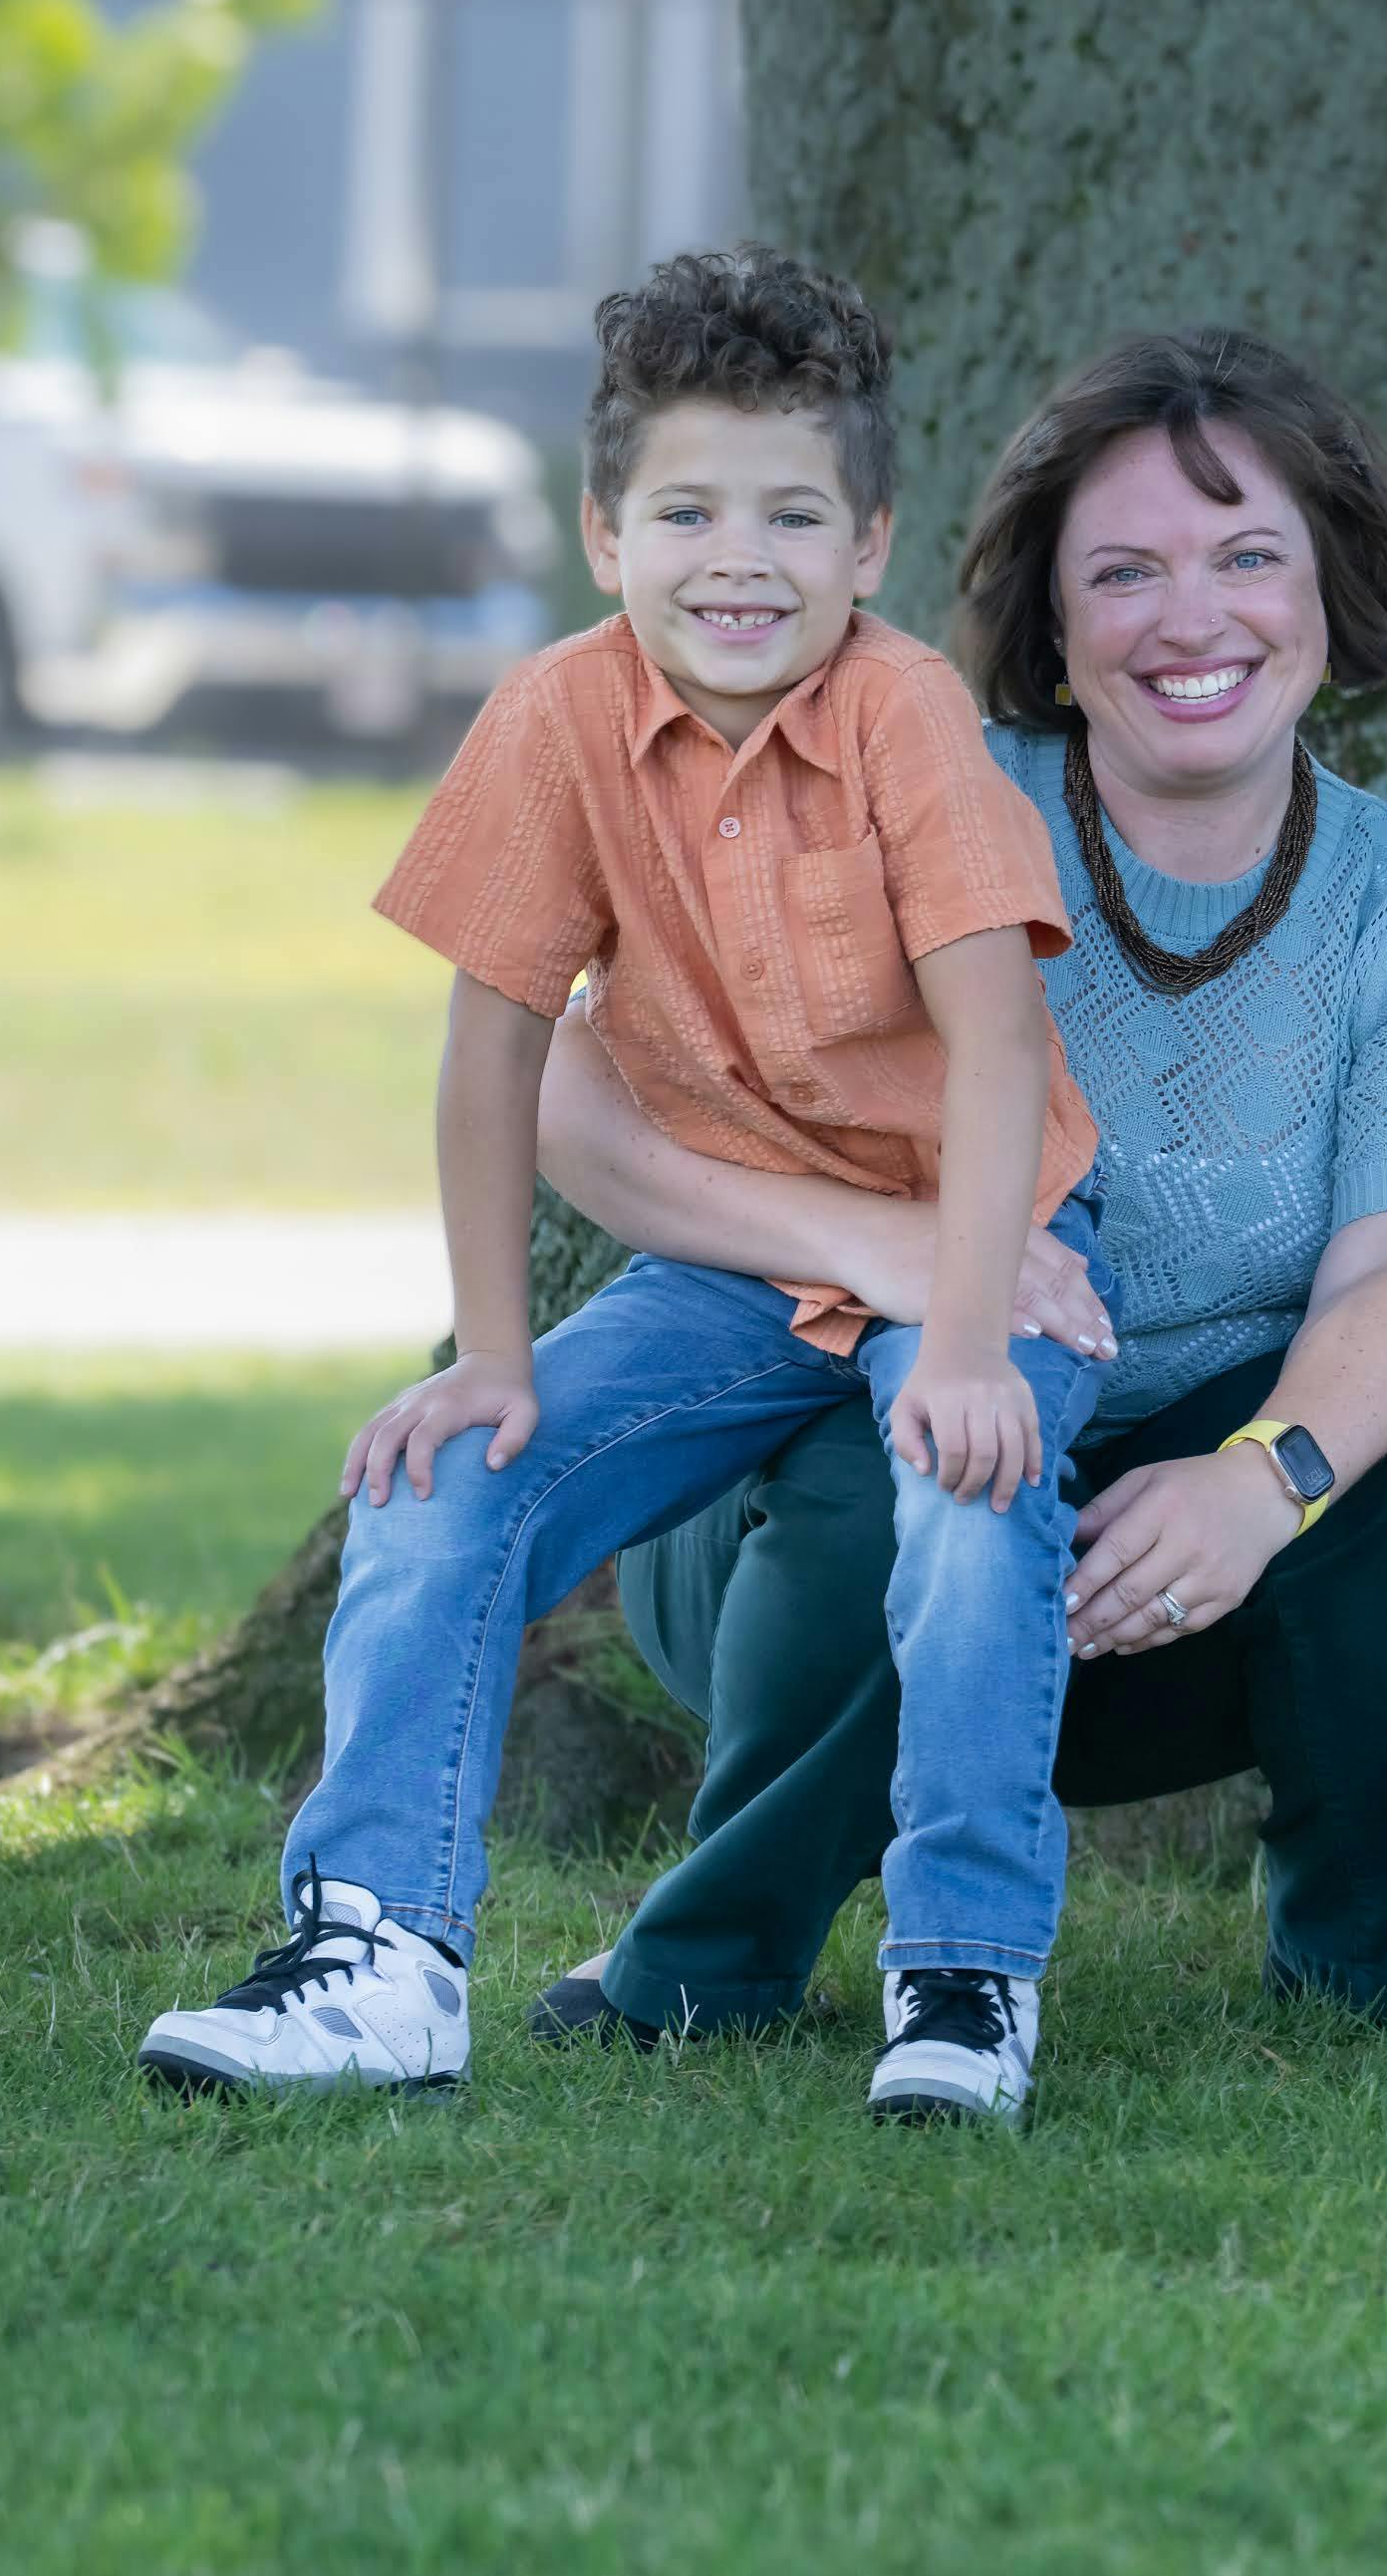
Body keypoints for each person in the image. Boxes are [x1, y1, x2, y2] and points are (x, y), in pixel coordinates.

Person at [137, 245, 1107, 2129]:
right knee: (440, 1477)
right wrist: (490, 1357)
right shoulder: (550, 722)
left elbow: (995, 1048)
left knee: (967, 1486)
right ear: (603, 533)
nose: (736, 559)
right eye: (685, 511)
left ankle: (965, 1974)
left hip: (985, 1244)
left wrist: (974, 1330)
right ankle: (378, 1957)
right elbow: (488, 1052)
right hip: (727, 1259)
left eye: (789, 516)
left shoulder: (906, 718)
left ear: (867, 544)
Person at [534, 332, 1387, 2043]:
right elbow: (574, 1081)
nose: (1194, 618)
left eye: (1249, 556)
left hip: (1185, 1570)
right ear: (1050, 615)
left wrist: (1263, 1477)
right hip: (820, 1519)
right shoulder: (902, 793)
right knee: (914, 1417)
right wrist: (870, 1248)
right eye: (1125, 573)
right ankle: (717, 1950)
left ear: (1330, 587)